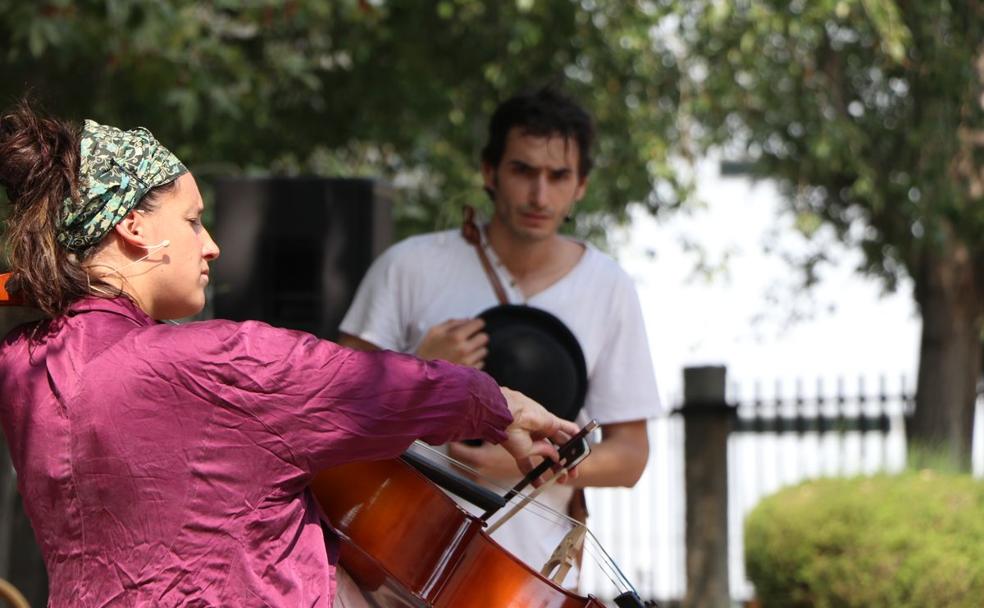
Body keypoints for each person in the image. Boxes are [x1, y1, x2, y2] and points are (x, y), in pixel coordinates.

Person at [0, 101, 581, 607]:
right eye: (193, 221)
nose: (211, 245)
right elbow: (372, 387)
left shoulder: (22, 367)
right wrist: (495, 404)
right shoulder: (218, 362)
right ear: (133, 227)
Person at [339, 86, 661, 575]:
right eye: (523, 170)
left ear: (581, 187)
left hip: (528, 576)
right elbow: (334, 406)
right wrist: (419, 370)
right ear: (490, 172)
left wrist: (528, 468)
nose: (539, 194)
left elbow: (631, 455)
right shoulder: (410, 266)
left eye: (558, 176)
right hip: (393, 550)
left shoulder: (608, 286)